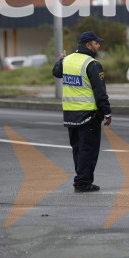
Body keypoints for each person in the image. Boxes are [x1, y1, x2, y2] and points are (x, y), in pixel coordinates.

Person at [52, 31, 112, 193]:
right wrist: (107, 112)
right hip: (88, 114)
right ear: (88, 45)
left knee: (78, 149)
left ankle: (82, 178)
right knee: (89, 150)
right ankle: (83, 182)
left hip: (70, 114)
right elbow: (100, 92)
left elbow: (56, 72)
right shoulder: (92, 64)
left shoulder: (68, 60)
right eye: (96, 43)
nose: (99, 45)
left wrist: (61, 59)